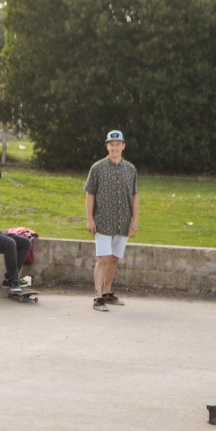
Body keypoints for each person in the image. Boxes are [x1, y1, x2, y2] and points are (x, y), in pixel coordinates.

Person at [84, 129, 140, 311]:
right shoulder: (97, 168)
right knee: (103, 258)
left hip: (123, 222)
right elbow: (90, 194)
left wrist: (135, 220)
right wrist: (90, 218)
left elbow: (134, 196)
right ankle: (98, 296)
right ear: (107, 146)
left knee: (114, 258)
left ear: (123, 146)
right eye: (111, 144)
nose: (114, 147)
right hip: (102, 222)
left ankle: (108, 292)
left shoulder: (131, 169)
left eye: (118, 144)